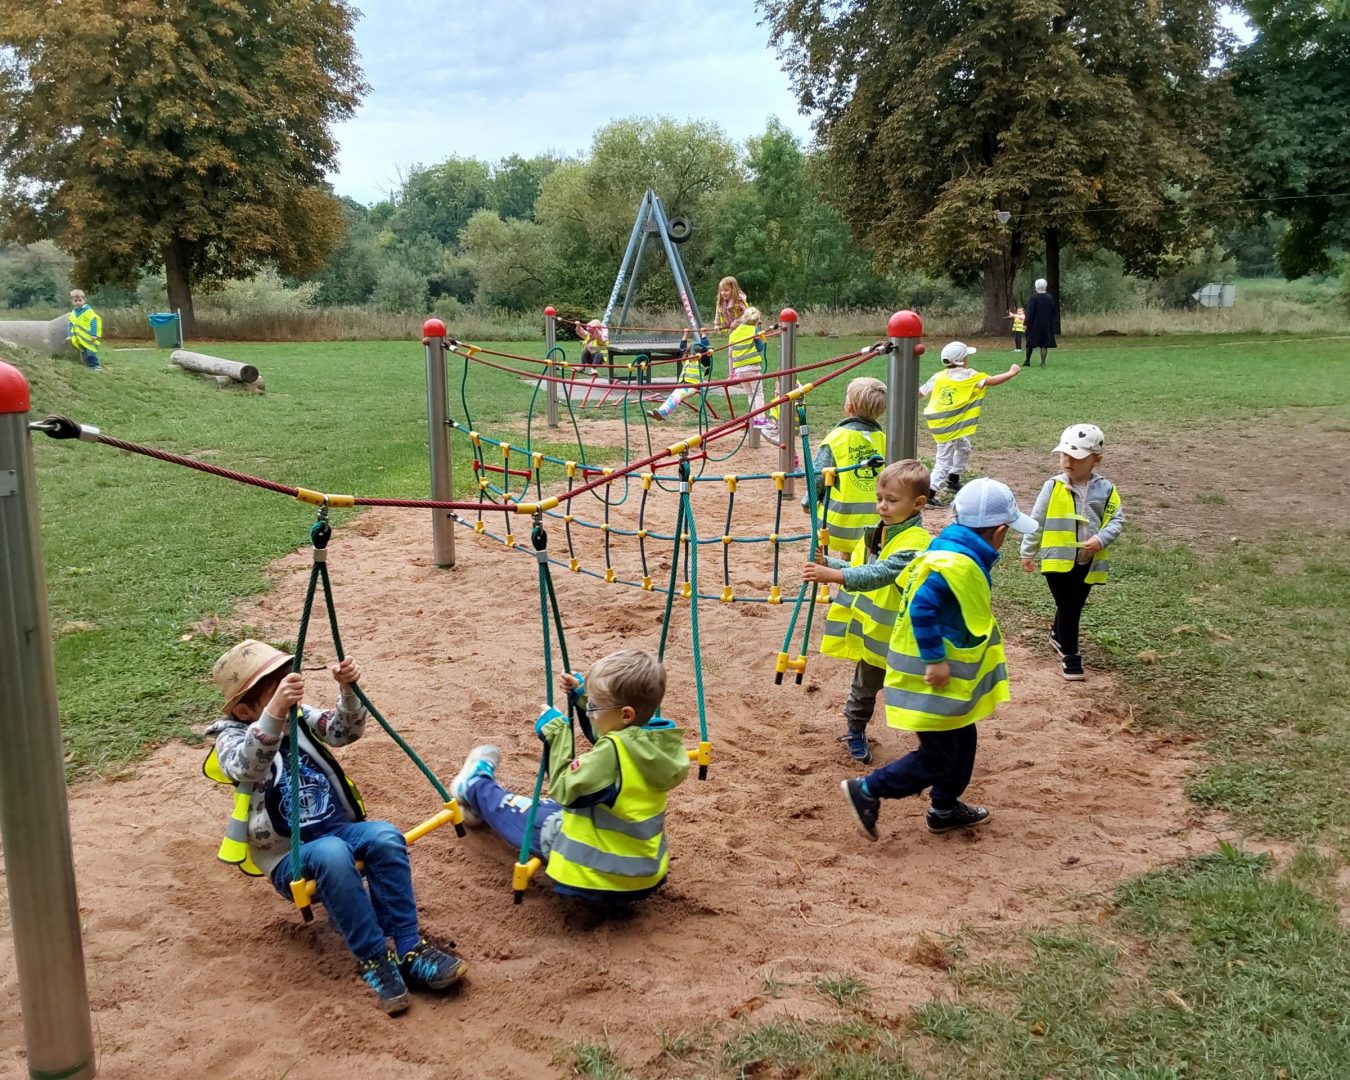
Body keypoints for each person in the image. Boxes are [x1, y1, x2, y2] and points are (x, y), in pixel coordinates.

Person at [203, 640, 468, 1015]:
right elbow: (248, 765)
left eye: (287, 679)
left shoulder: (299, 717)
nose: (288, 691)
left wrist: (347, 692)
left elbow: (343, 732)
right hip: (289, 856)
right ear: (244, 710)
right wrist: (274, 713)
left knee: (385, 836)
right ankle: (374, 958)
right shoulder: (230, 739)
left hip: (337, 829)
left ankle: (409, 946)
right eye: (274, 688)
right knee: (332, 854)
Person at [839, 478, 1037, 841]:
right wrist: (935, 660)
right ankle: (868, 790)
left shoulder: (952, 549)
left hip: (944, 679)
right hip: (928, 677)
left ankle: (944, 808)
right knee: (938, 755)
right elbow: (922, 606)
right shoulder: (956, 563)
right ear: (999, 531)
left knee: (963, 738)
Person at [450, 649, 690, 907]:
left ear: (626, 715)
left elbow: (564, 788)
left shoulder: (613, 753)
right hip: (642, 875)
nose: (590, 712)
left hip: (598, 875)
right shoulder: (656, 745)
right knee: (553, 809)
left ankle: (474, 785)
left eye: (594, 706)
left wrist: (557, 733)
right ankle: (477, 809)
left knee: (525, 815)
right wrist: (583, 696)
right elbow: (612, 731)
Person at [806, 459, 933, 763]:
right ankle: (854, 730)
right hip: (876, 636)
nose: (882, 507)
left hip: (904, 638)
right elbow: (864, 566)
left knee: (917, 691)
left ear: (918, 504)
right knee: (864, 689)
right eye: (879, 498)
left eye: (892, 500)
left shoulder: (916, 542)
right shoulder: (881, 531)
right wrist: (831, 564)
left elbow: (881, 573)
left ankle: (933, 742)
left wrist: (834, 576)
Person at [1020, 424, 1126, 681]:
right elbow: (1037, 520)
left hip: (1088, 562)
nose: (1068, 461)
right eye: (1064, 454)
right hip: (1056, 559)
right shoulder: (1052, 486)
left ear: (1096, 459)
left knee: (1071, 603)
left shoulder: (1106, 489)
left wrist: (1100, 539)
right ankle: (1070, 654)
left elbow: (1116, 519)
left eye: (1077, 457)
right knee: (1070, 606)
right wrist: (1027, 552)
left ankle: (1058, 635)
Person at [920, 342, 1021, 505]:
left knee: (964, 447)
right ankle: (928, 494)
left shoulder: (939, 376)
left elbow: (920, 392)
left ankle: (953, 479)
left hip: (940, 423)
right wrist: (1012, 372)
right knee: (943, 462)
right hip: (949, 426)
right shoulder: (970, 375)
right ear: (962, 360)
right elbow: (993, 380)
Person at [807, 377, 888, 562]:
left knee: (845, 558)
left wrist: (808, 501)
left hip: (838, 524)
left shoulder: (836, 438)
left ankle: (846, 573)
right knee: (865, 559)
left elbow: (818, 475)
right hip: (877, 522)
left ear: (849, 407)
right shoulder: (885, 440)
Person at [727, 307, 778, 442]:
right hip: (752, 368)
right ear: (756, 320)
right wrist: (761, 337)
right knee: (758, 393)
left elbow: (730, 354)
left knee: (751, 394)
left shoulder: (734, 333)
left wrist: (731, 372)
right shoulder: (753, 330)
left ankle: (754, 419)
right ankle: (760, 420)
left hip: (739, 370)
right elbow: (760, 347)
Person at [648, 331, 707, 421]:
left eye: (694, 354)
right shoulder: (687, 360)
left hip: (693, 386)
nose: (691, 356)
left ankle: (663, 412)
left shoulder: (702, 362)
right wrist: (685, 335)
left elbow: (706, 350)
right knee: (672, 396)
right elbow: (682, 349)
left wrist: (703, 335)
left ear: (699, 354)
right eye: (689, 353)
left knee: (678, 395)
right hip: (682, 385)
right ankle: (660, 411)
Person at [1023, 278, 1057, 367]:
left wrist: (1026, 323)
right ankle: (1043, 362)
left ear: (1036, 287)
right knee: (1044, 344)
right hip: (1046, 324)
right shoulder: (1049, 298)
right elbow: (1053, 311)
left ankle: (1027, 361)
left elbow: (1030, 312)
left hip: (1034, 324)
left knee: (1030, 342)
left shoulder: (1033, 298)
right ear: (1045, 286)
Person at [66, 289, 102, 369]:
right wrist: (69, 335)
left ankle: (95, 366)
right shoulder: (73, 313)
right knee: (85, 352)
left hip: (89, 337)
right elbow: (71, 324)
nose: (78, 302)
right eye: (76, 301)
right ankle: (90, 363)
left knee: (90, 351)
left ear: (84, 300)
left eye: (80, 300)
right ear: (72, 302)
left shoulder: (89, 311)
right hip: (80, 338)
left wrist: (93, 334)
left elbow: (93, 323)